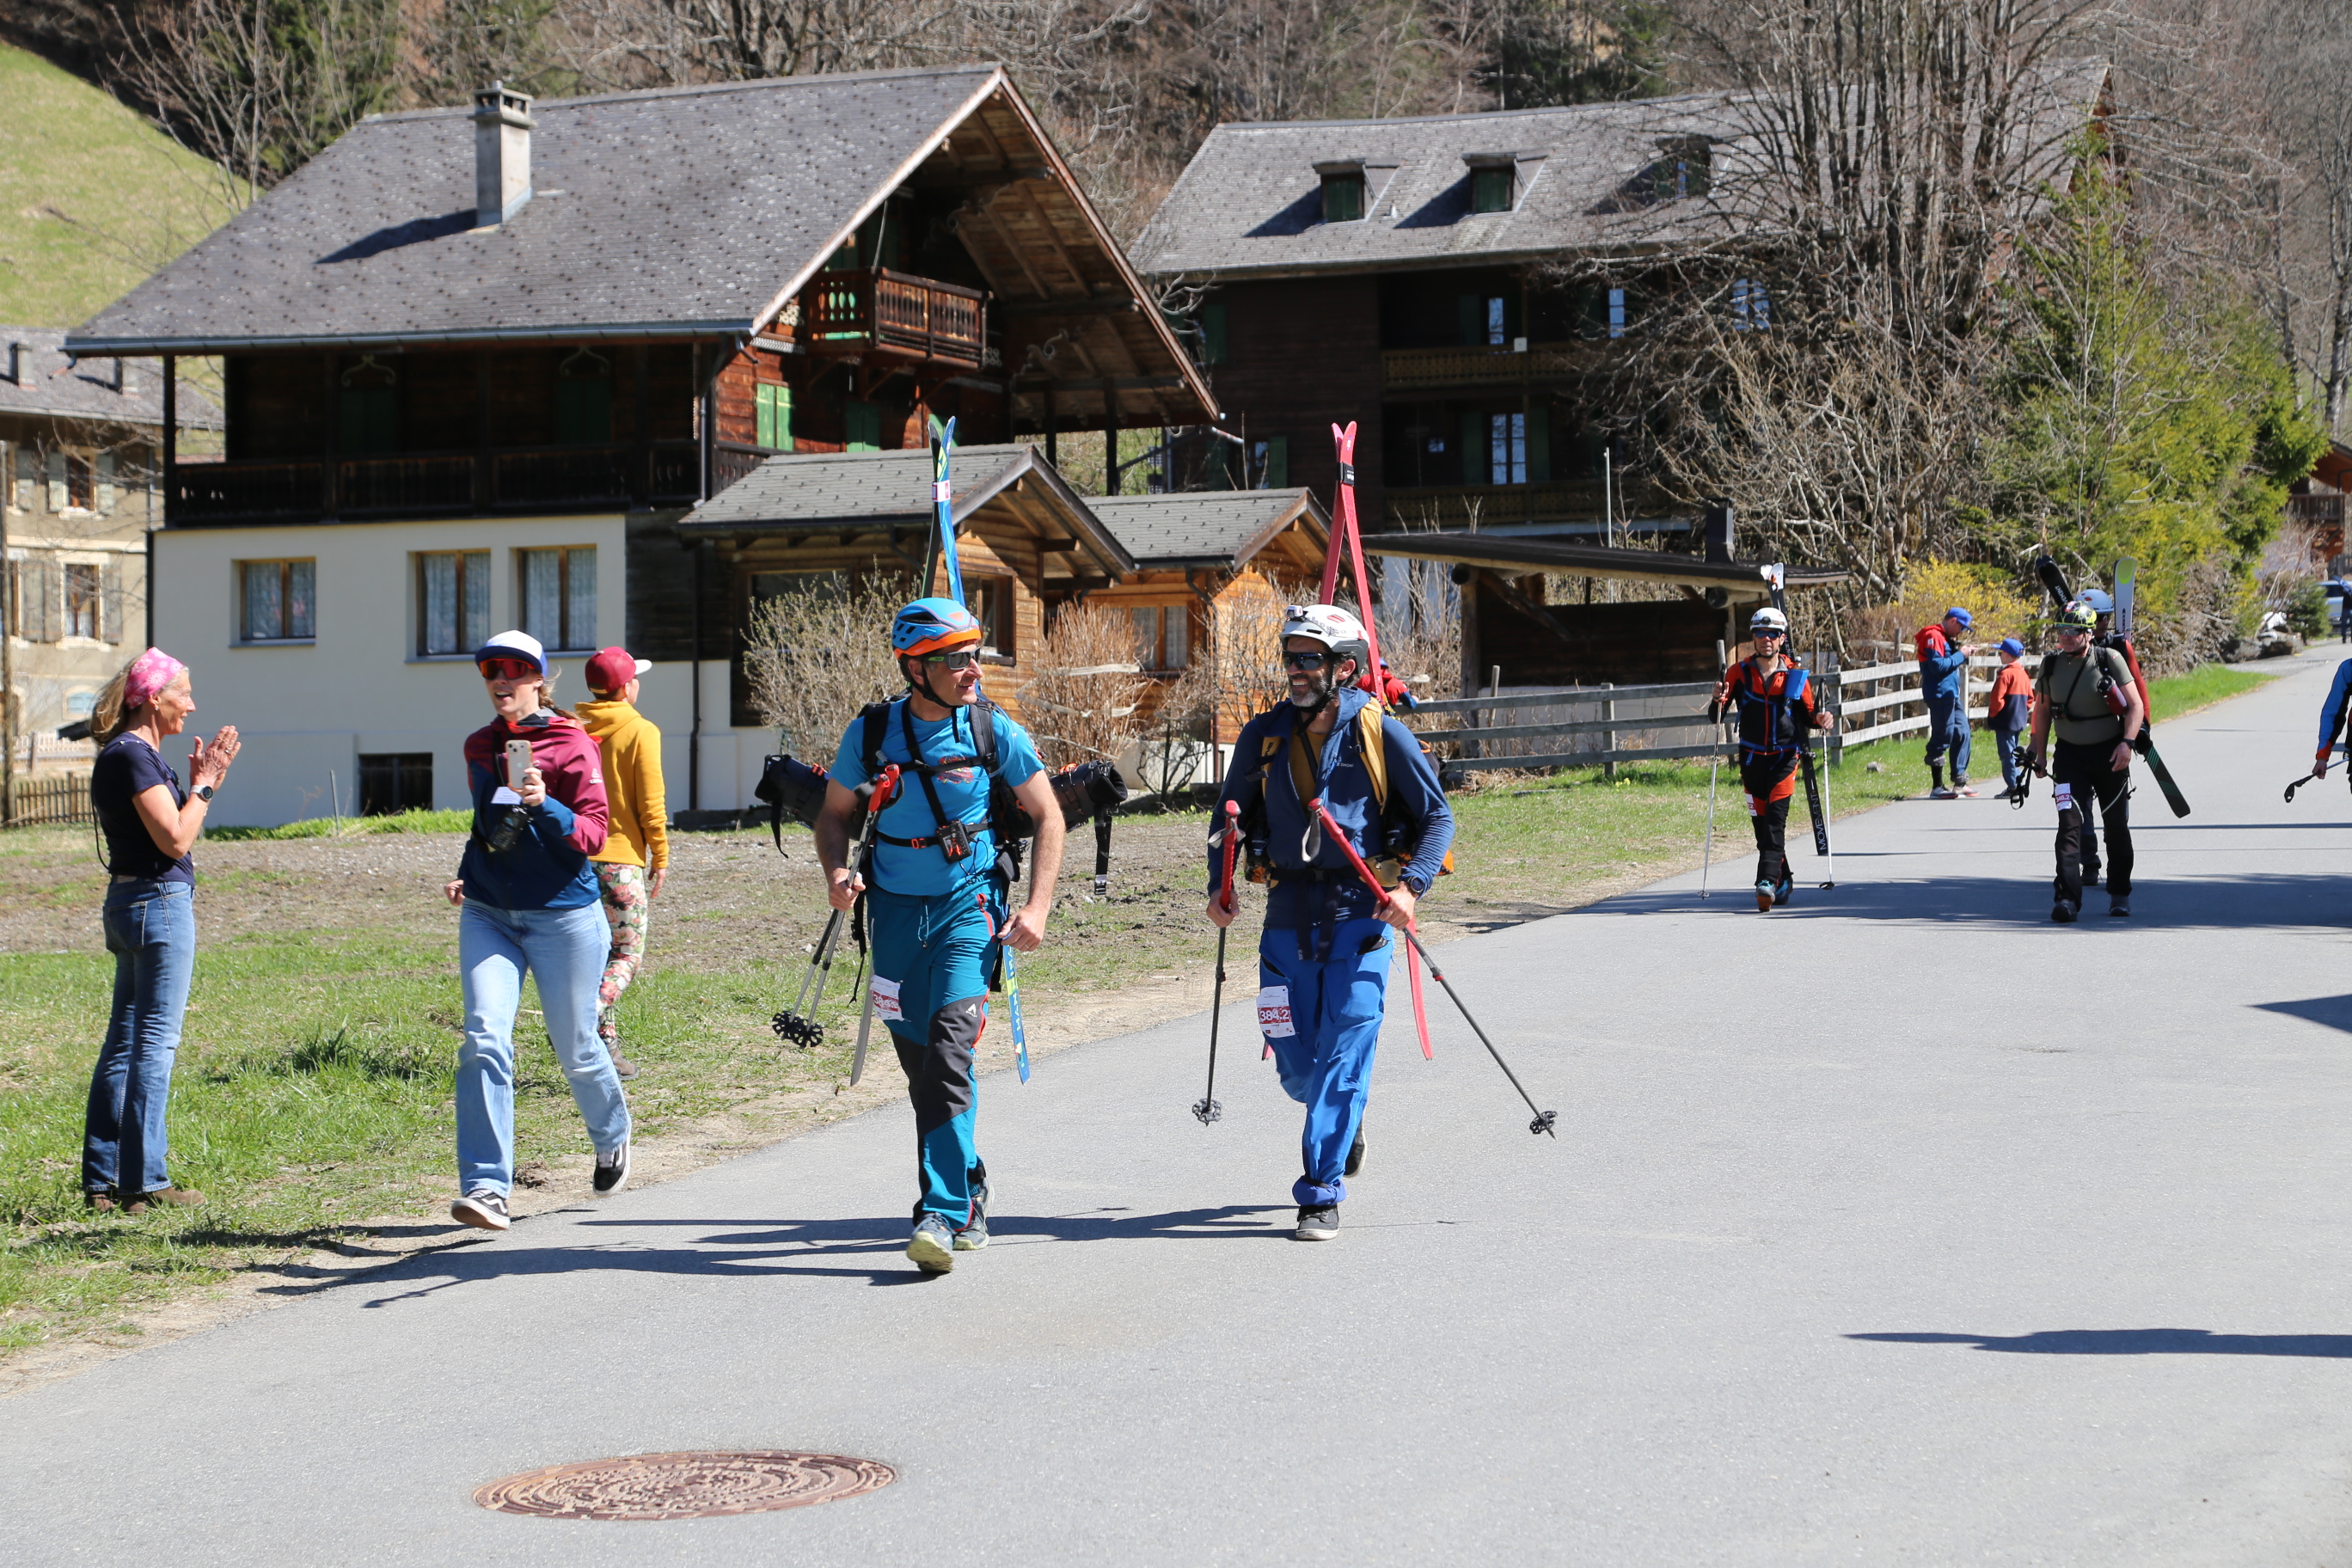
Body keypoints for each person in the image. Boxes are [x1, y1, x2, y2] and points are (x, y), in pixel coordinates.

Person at [815, 597, 1066, 1276]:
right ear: (915, 669)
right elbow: (833, 815)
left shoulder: (991, 728)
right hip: (894, 919)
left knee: (951, 1050)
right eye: (956, 660)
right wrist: (837, 871)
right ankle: (970, 1180)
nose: (972, 671)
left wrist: (1038, 907)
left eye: (974, 656)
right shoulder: (872, 733)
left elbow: (1048, 815)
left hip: (968, 909)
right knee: (922, 1068)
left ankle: (942, 1211)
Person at [1208, 603, 1454, 1243]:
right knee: (1295, 1063)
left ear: (1344, 667)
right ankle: (1344, 1116)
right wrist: (1219, 887)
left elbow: (1438, 817)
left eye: (1308, 659)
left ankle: (1320, 1190)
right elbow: (1225, 818)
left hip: (1360, 914)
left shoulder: (1380, 732)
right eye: (1290, 658)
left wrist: (1411, 889)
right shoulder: (1262, 736)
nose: (1295, 670)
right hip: (1286, 913)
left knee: (1344, 1053)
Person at [443, 630, 631, 1231]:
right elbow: (485, 826)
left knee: (575, 1045)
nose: (501, 679)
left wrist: (545, 803)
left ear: (539, 680)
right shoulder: (479, 745)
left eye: (515, 669)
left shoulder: (572, 742)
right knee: (483, 1038)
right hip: (489, 914)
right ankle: (487, 1189)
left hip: (564, 916)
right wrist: (467, 871)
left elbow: (594, 836)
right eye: (490, 670)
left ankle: (612, 1134)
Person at [82, 648, 240, 1215]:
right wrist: (206, 786)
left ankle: (103, 1181)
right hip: (157, 905)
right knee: (153, 1043)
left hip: (131, 904)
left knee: (124, 1043)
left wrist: (196, 784)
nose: (191, 705)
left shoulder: (128, 755)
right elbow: (175, 839)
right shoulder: (133, 755)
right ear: (153, 699)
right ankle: (143, 1182)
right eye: (184, 694)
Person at [577, 646, 669, 1081]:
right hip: (619, 864)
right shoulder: (640, 730)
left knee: (597, 956)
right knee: (627, 954)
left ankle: (606, 1048)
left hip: (575, 860)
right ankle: (584, 1016)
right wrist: (660, 855)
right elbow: (651, 803)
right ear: (627, 687)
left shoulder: (572, 728)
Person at [1712, 606, 1836, 912]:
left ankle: (1765, 883)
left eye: (1772, 634)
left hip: (1784, 760)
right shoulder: (1738, 673)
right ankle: (1784, 879)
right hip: (1751, 761)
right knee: (1761, 827)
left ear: (1782, 639)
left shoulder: (1794, 675)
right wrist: (1716, 698)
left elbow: (1809, 715)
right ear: (1754, 637)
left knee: (1774, 824)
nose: (1766, 638)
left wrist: (1822, 719)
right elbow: (1716, 716)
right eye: (1760, 633)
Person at [2026, 602, 2143, 922]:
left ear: (2089, 633)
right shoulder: (2050, 664)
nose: (2065, 636)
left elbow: (2135, 706)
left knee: (2115, 827)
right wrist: (2039, 752)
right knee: (2068, 826)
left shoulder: (2109, 659)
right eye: (2061, 630)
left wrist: (2127, 743)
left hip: (2110, 756)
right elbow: (2042, 710)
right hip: (2069, 757)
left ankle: (2119, 893)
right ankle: (2066, 899)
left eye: (2073, 630)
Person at [1916, 606, 1977, 798]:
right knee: (1943, 734)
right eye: (1961, 627)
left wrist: (1962, 652)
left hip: (1951, 694)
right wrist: (1961, 655)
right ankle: (1937, 787)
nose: (1962, 631)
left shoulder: (1945, 638)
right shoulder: (1932, 636)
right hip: (1939, 693)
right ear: (1952, 621)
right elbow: (1937, 666)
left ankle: (1960, 781)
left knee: (1962, 732)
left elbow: (1948, 661)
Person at [1986, 638, 2036, 803]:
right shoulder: (2023, 673)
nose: (2000, 655)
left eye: (2001, 652)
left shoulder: (2005, 674)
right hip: (2018, 718)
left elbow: (1997, 699)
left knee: (2007, 754)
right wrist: (2021, 711)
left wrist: (1993, 714)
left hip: (2005, 719)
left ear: (2007, 655)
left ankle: (2013, 786)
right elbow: (2030, 699)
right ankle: (2016, 782)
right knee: (2014, 751)